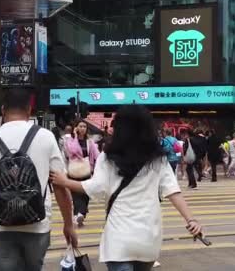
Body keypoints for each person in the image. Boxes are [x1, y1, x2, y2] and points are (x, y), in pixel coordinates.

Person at [51, 105, 202, 271]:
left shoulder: (108, 157)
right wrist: (191, 220)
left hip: (119, 239)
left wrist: (64, 181)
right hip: (148, 238)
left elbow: (95, 188)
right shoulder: (158, 159)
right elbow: (174, 192)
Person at [0, 87, 77, 271]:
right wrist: (68, 224)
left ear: (2, 110)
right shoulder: (46, 137)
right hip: (37, 223)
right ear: (29, 110)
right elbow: (61, 185)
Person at [64, 119, 99, 228]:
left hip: (86, 171)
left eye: (84, 126)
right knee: (76, 196)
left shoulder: (90, 142)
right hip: (73, 172)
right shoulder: (69, 140)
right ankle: (78, 215)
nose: (83, 128)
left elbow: (96, 155)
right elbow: (70, 152)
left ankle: (80, 214)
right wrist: (74, 136)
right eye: (80, 126)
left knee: (86, 194)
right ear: (76, 127)